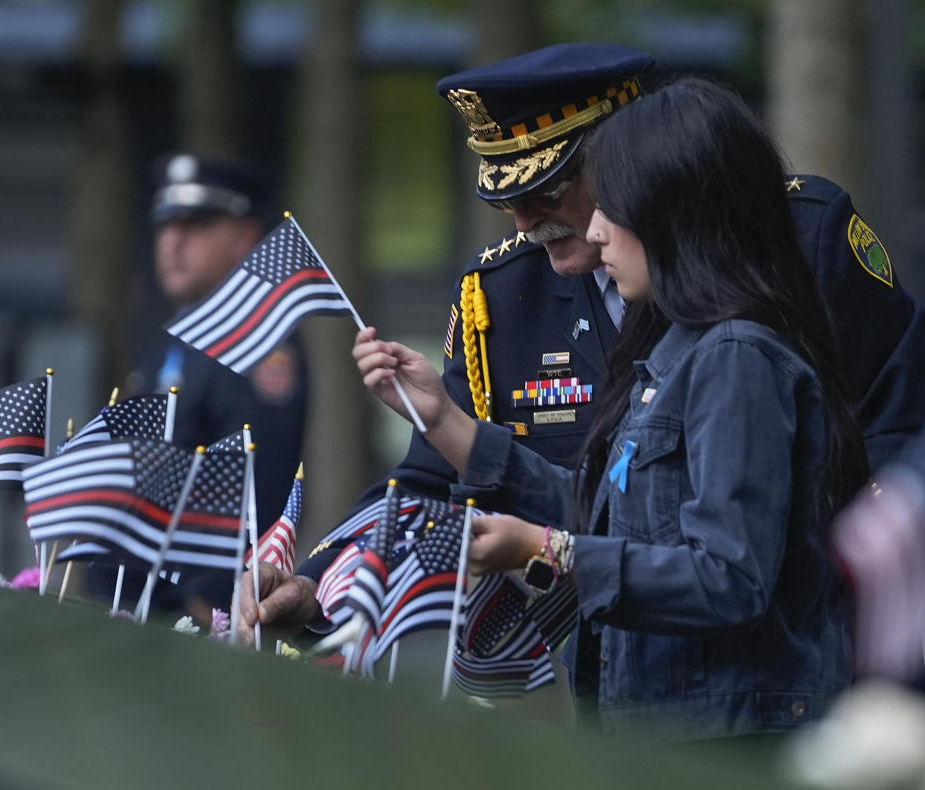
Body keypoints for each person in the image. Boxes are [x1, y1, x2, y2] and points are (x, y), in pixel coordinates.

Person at [236, 43, 925, 640]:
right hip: (631, 691)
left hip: (818, 665)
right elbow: (442, 487)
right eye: (506, 198)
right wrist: (314, 583)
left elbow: (904, 439)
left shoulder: (798, 238)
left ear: (636, 161)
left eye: (548, 187)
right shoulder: (503, 298)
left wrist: (816, 582)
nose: (524, 219)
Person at [355, 77, 868, 739]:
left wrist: (550, 550)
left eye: (614, 206)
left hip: (732, 760)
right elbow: (612, 512)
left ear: (673, 214)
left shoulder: (738, 356)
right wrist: (445, 422)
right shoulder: (681, 347)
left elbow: (730, 578)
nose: (595, 230)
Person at [89, 153, 309, 618]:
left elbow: (258, 486)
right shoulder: (179, 338)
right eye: (166, 226)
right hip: (131, 603)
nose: (173, 242)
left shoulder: (258, 343)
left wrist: (210, 604)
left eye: (195, 226)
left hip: (188, 620)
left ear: (244, 236)